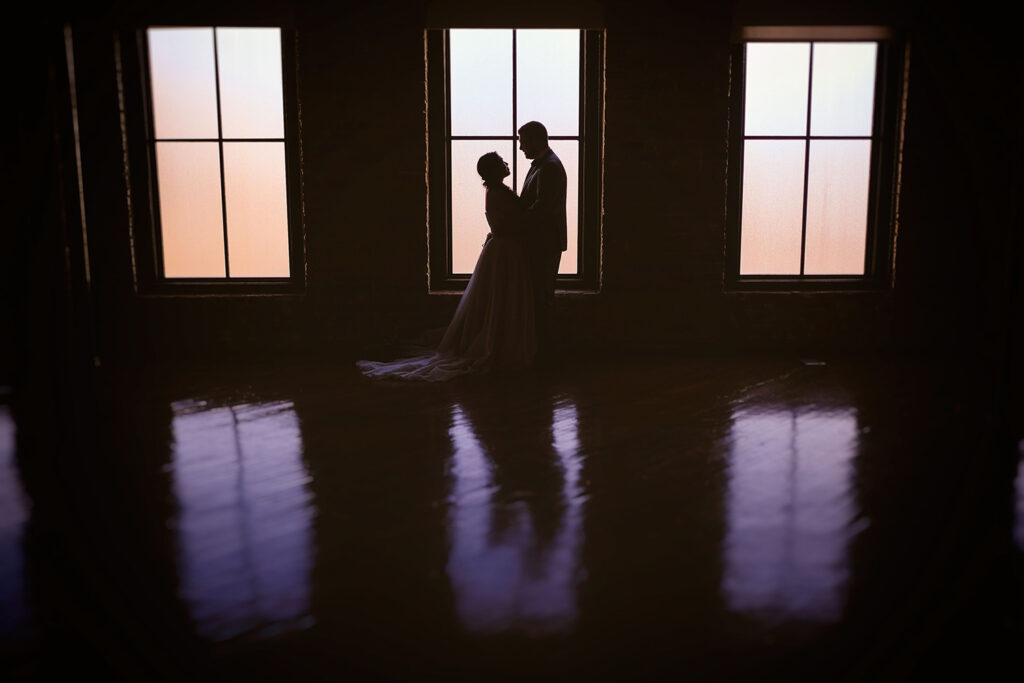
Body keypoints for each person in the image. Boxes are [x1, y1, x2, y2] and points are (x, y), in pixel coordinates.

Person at [357, 152, 536, 381]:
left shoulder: (497, 191)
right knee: (501, 298)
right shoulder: (497, 193)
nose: (507, 163)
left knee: (499, 298)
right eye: (502, 162)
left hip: (504, 250)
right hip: (505, 252)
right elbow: (502, 224)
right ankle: (499, 343)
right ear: (494, 169)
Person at [518, 121, 567, 362]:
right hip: (540, 241)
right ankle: (543, 351)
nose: (520, 147)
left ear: (536, 139)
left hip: (544, 243)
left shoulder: (549, 167)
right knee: (539, 296)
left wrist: (513, 225)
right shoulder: (543, 165)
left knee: (543, 297)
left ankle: (548, 353)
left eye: (523, 141)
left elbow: (541, 208)